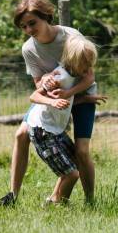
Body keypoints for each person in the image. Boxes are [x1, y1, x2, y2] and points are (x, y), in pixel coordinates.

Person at [0, 0, 106, 209]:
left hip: (81, 91)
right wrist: (46, 84)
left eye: (32, 23)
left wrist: (73, 94)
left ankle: (90, 202)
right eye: (23, 26)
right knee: (21, 133)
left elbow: (88, 74)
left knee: (81, 150)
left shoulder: (71, 36)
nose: (28, 29)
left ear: (46, 17)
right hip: (54, 97)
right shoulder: (29, 49)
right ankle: (12, 196)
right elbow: (37, 86)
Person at [25, 35, 98, 204]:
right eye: (85, 63)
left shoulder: (75, 75)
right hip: (42, 130)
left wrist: (86, 99)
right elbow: (33, 96)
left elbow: (67, 100)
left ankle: (53, 201)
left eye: (90, 63)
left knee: (76, 162)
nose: (88, 68)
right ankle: (59, 204)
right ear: (73, 60)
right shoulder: (58, 76)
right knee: (71, 174)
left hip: (55, 131)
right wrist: (52, 101)